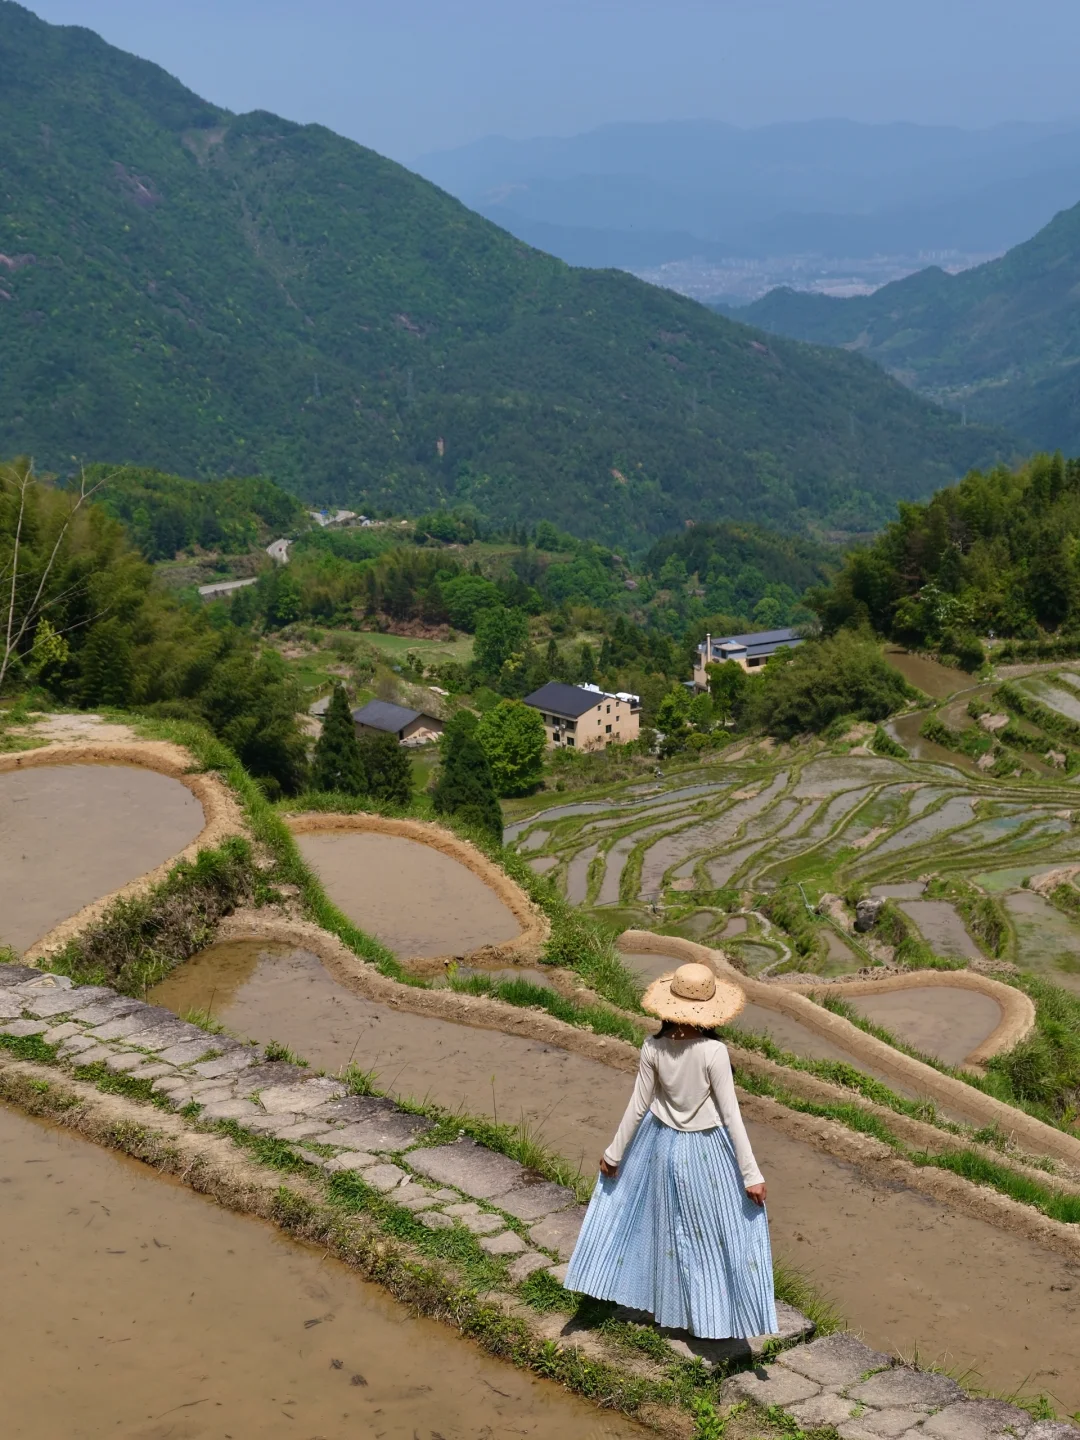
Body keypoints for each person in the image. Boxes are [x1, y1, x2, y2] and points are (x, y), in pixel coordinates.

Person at [563, 962, 777, 1340]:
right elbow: (731, 1116)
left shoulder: (653, 1046)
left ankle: (665, 1307)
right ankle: (708, 1317)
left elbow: (637, 1105)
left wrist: (613, 1154)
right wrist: (751, 1175)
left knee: (662, 1231)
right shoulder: (713, 1052)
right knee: (708, 1236)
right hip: (704, 1153)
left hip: (659, 1147)